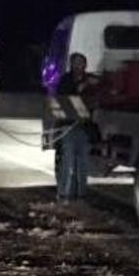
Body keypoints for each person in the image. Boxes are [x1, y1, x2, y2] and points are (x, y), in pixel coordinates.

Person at [54, 53, 96, 203]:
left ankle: (81, 195)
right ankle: (63, 193)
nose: (79, 66)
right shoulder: (65, 80)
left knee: (83, 162)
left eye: (82, 63)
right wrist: (79, 88)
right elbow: (62, 100)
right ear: (71, 65)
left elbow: (95, 98)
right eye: (76, 63)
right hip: (68, 127)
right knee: (68, 160)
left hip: (84, 127)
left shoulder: (89, 79)